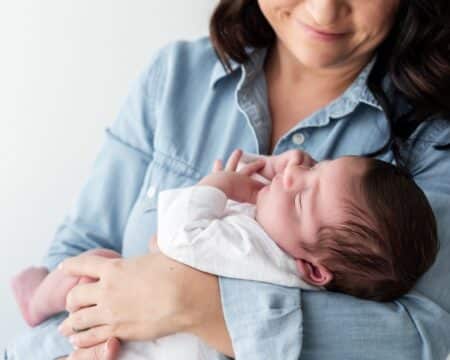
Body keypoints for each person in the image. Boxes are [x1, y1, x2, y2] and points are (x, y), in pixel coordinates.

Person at [6, 0, 450, 359]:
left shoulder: (433, 142)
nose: (324, 10)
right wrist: (86, 340)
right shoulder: (176, 76)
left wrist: (192, 301)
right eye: (310, 166)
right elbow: (79, 247)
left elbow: (425, 338)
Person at [10, 147, 438, 359]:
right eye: (312, 168)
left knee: (98, 262)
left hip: (131, 346)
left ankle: (37, 301)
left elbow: (173, 235)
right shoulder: (284, 259)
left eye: (302, 198)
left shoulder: (254, 251)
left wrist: (223, 187)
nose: (290, 175)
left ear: (313, 269)